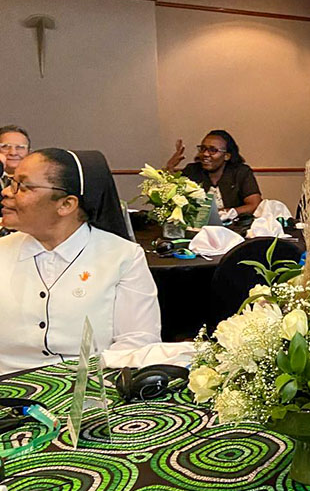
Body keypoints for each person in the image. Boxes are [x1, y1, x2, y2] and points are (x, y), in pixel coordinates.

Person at [0, 148, 161, 374]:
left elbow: (137, 341)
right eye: (10, 182)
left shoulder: (122, 257)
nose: (7, 192)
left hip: (90, 391)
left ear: (66, 205)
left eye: (23, 186)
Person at [164, 130, 262, 217]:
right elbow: (170, 198)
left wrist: (223, 214)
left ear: (226, 156)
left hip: (234, 228)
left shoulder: (241, 172)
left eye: (213, 150)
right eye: (203, 149)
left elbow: (254, 204)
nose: (206, 154)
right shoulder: (192, 171)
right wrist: (170, 167)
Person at [0, 125, 31, 191]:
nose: (13, 153)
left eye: (20, 147)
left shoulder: (37, 181)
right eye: (5, 147)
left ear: (29, 152)